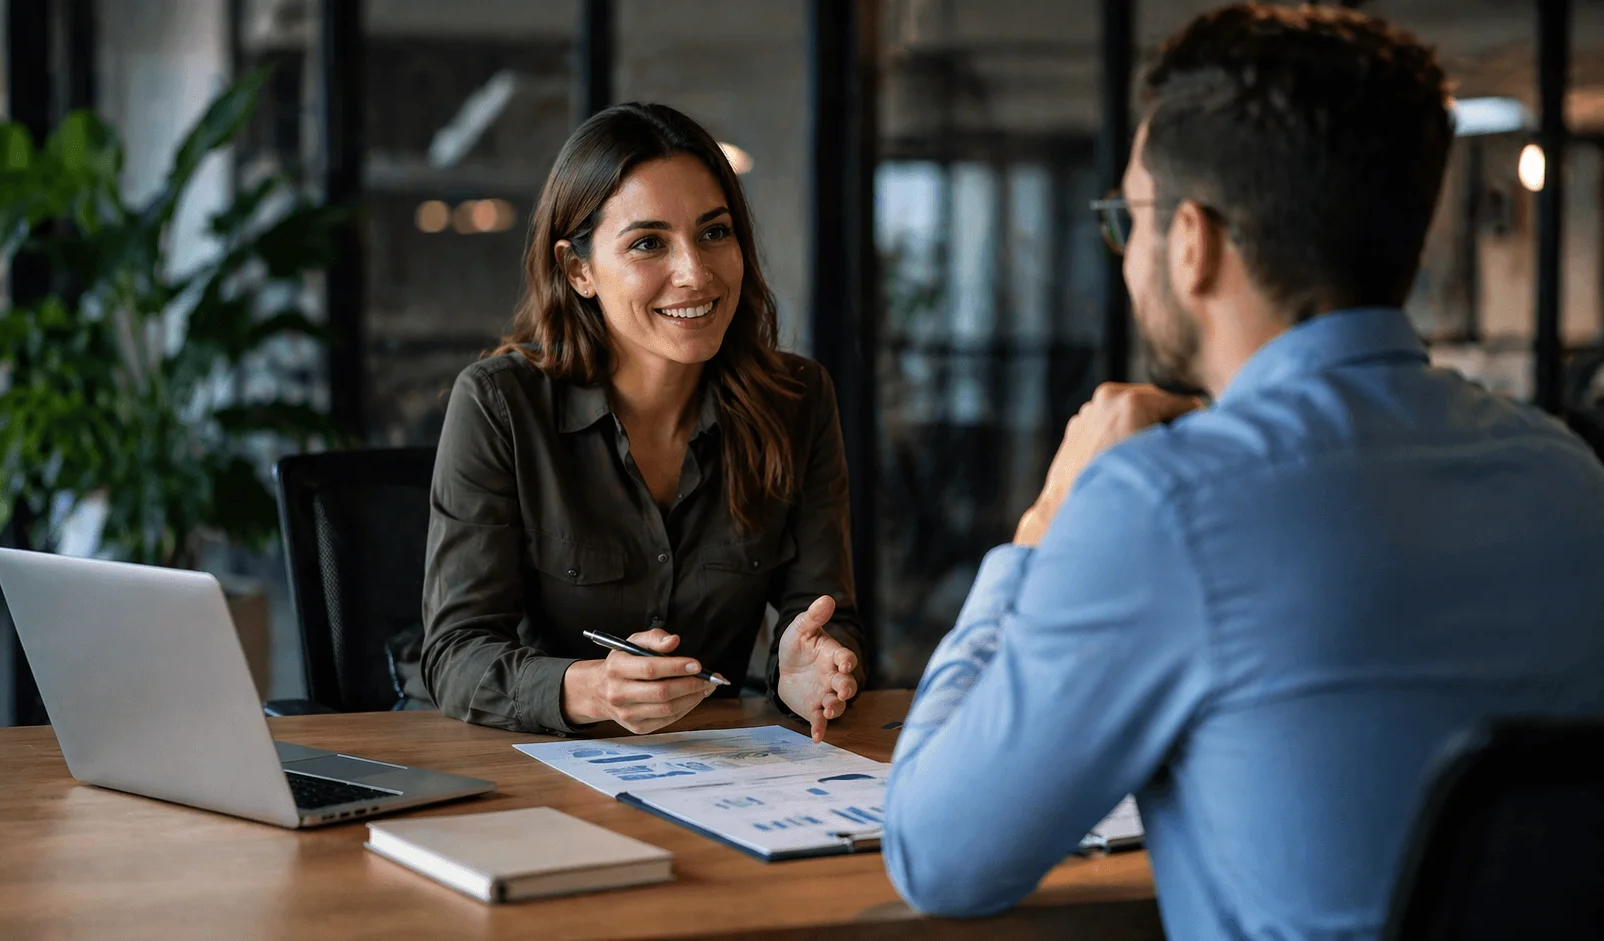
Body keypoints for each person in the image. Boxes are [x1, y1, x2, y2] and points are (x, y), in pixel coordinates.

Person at [882, 4, 1604, 937]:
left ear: (1193, 241)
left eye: (1127, 219)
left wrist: (1047, 523)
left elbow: (938, 857)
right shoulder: (1569, 478)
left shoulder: (1167, 506)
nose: (1126, 251)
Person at [421, 103, 864, 740]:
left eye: (714, 232)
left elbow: (826, 616)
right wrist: (592, 690)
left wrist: (809, 672)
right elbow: (456, 654)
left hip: (710, 773)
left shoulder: (797, 399)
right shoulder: (500, 406)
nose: (695, 273)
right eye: (648, 244)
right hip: (523, 763)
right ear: (579, 271)